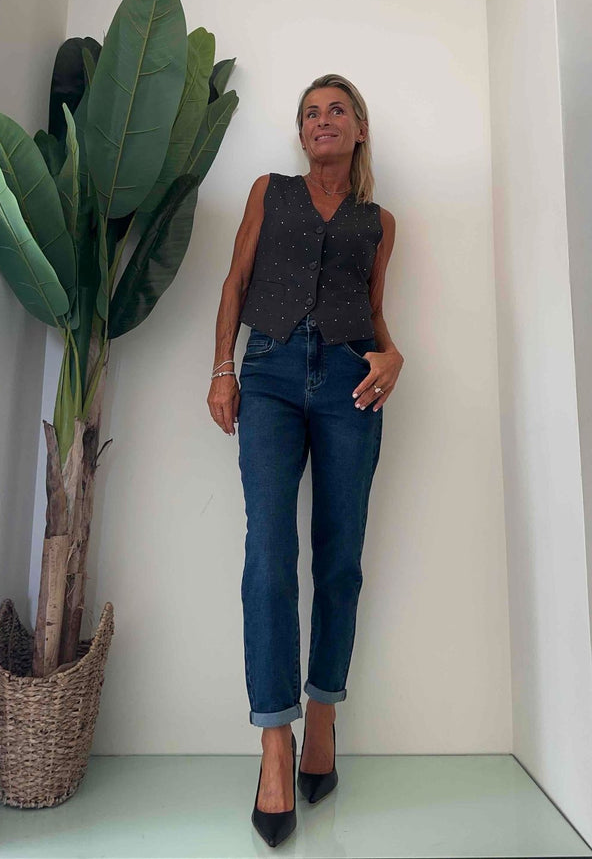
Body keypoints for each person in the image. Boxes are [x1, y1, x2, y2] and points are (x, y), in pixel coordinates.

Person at [207, 73, 403, 847]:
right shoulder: (270, 192)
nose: (323, 120)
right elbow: (235, 282)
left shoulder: (380, 222)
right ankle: (275, 742)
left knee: (341, 557)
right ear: (301, 133)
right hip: (271, 377)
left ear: (359, 130)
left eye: (337, 110)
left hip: (352, 382)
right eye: (311, 113)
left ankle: (323, 715)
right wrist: (222, 369)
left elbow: (376, 310)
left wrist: (393, 355)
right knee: (268, 555)